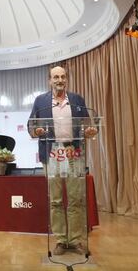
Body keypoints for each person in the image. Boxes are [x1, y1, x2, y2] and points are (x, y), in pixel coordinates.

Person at [28, 66, 97, 255]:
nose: (60, 80)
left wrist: (91, 131)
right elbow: (31, 124)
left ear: (67, 79)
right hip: (52, 154)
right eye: (56, 77)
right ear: (49, 80)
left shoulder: (77, 99)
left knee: (76, 199)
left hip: (73, 152)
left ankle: (74, 240)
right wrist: (37, 131)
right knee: (56, 200)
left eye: (63, 76)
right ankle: (60, 239)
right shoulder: (40, 101)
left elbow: (88, 124)